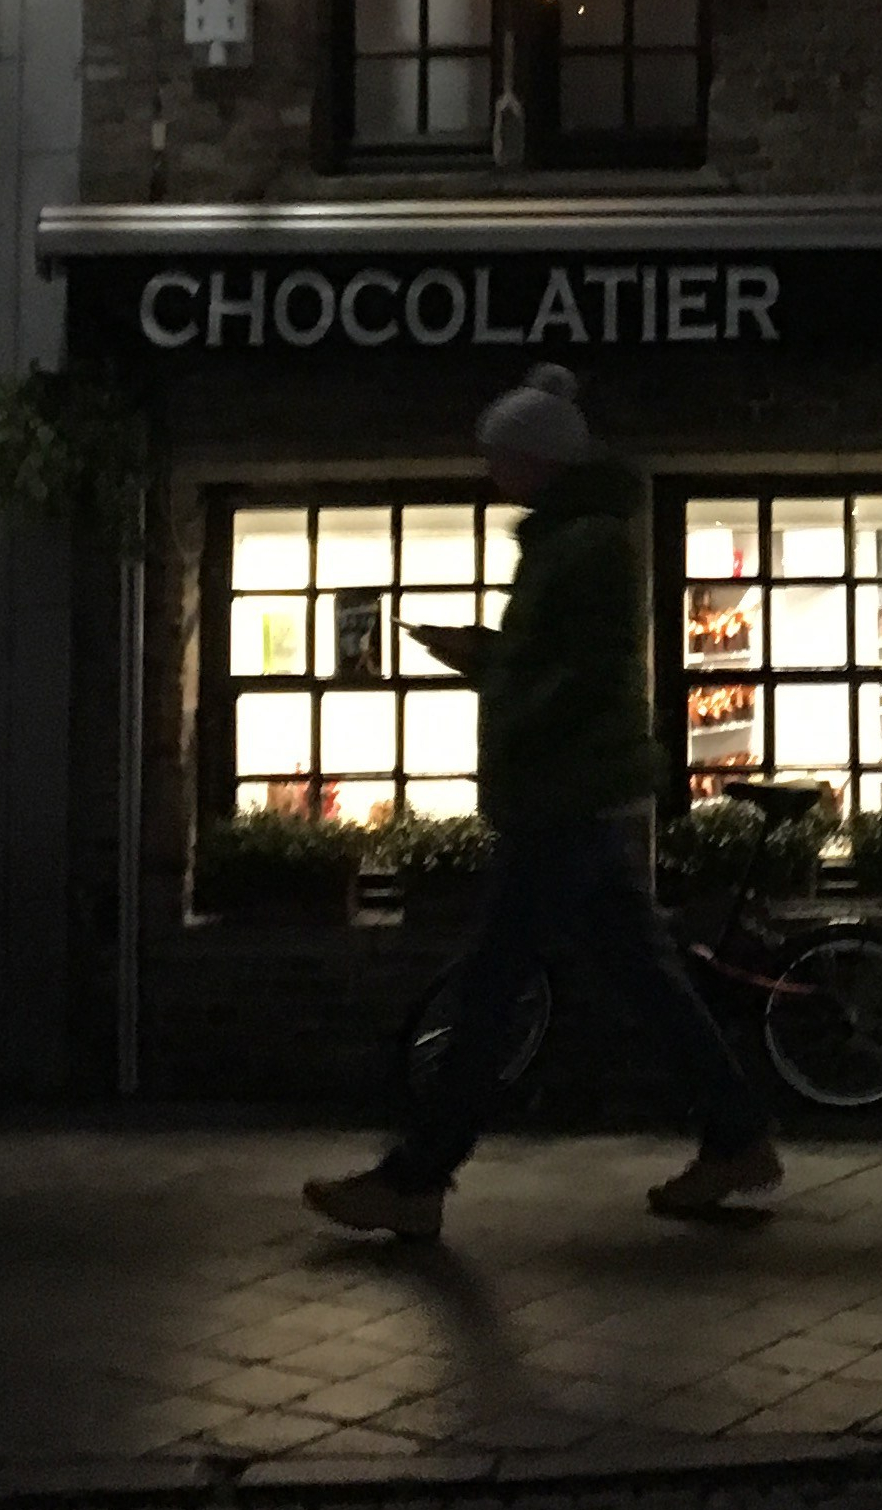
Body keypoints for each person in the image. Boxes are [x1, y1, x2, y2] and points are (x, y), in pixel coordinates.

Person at [304, 367, 777, 1238]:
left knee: (489, 991)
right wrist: (490, 656)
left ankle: (418, 1176)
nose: (492, 472)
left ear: (536, 458)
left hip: (560, 795)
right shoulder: (579, 539)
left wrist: (499, 676)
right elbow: (564, 663)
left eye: (500, 456)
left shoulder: (581, 546)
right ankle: (737, 1135)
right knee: (646, 983)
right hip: (579, 796)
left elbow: (574, 677)